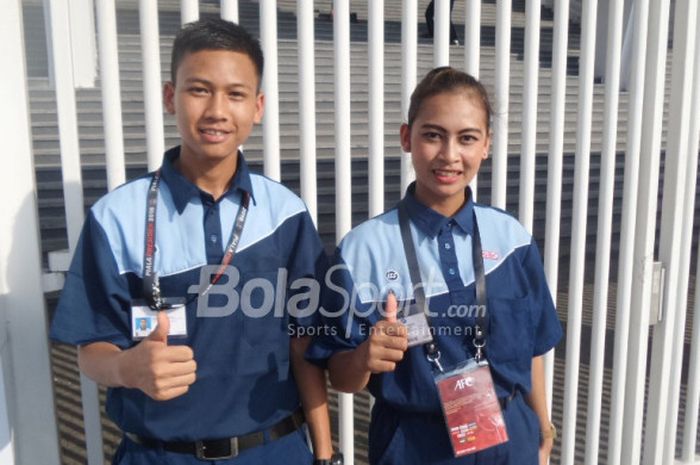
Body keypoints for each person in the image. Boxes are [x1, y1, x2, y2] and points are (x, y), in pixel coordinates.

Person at [50, 18, 340, 465]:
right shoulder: (118, 217)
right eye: (199, 89)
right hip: (158, 454)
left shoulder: (284, 213)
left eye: (236, 94)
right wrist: (127, 368)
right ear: (171, 97)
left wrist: (324, 452)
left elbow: (303, 344)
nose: (217, 110)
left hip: (273, 450)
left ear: (258, 106)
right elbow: (91, 350)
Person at [307, 67, 562, 465]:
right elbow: (339, 376)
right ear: (407, 138)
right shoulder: (363, 250)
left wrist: (543, 432)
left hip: (510, 438)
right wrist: (364, 357)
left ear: (486, 145)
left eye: (467, 138)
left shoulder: (511, 239)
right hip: (413, 445)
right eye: (433, 135)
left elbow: (533, 349)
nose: (449, 155)